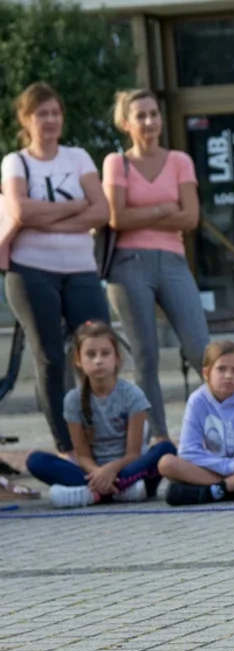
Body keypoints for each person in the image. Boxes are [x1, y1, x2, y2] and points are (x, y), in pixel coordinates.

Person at [1, 82, 110, 456]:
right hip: (30, 270)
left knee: (97, 346)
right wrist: (75, 209)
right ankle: (67, 446)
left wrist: (47, 218)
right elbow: (20, 211)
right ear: (26, 119)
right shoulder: (16, 162)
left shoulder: (77, 157)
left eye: (54, 113)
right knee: (49, 356)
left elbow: (101, 211)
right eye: (41, 114)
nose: (49, 120)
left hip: (80, 269)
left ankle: (102, 436)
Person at [103, 88, 208, 444]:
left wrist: (143, 216)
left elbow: (191, 216)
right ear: (125, 123)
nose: (149, 121)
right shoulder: (117, 163)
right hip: (128, 265)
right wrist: (165, 210)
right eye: (141, 115)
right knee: (145, 355)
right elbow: (117, 217)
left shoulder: (180, 160)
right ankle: (159, 438)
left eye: (154, 114)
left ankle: (227, 427)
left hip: (174, 261)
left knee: (200, 347)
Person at [24, 321, 174, 508]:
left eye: (105, 353)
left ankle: (91, 494)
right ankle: (120, 492)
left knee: (165, 449)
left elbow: (133, 454)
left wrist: (110, 471)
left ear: (116, 358)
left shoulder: (133, 395)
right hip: (91, 472)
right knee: (36, 460)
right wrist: (99, 473)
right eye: (90, 355)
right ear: (78, 360)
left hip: (127, 468)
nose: (98, 360)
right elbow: (83, 455)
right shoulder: (73, 400)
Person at [160, 340, 234, 505]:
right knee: (166, 463)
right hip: (215, 468)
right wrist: (230, 466)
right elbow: (188, 450)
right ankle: (232, 489)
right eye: (221, 369)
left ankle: (214, 491)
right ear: (206, 373)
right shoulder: (197, 400)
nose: (228, 376)